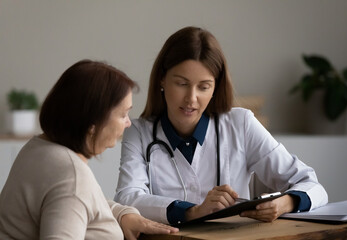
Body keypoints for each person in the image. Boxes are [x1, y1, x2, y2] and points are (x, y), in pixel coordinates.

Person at [114, 26, 328, 225]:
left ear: (216, 87)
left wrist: (285, 203)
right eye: (182, 84)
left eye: (204, 87)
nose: (191, 98)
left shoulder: (241, 123)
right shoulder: (139, 132)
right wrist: (192, 212)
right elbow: (127, 198)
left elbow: (313, 186)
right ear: (162, 79)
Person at [0, 60, 178, 239]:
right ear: (92, 124)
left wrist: (121, 214)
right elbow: (72, 194)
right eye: (123, 114)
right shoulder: (70, 175)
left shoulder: (39, 148)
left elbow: (69, 203)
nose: (128, 123)